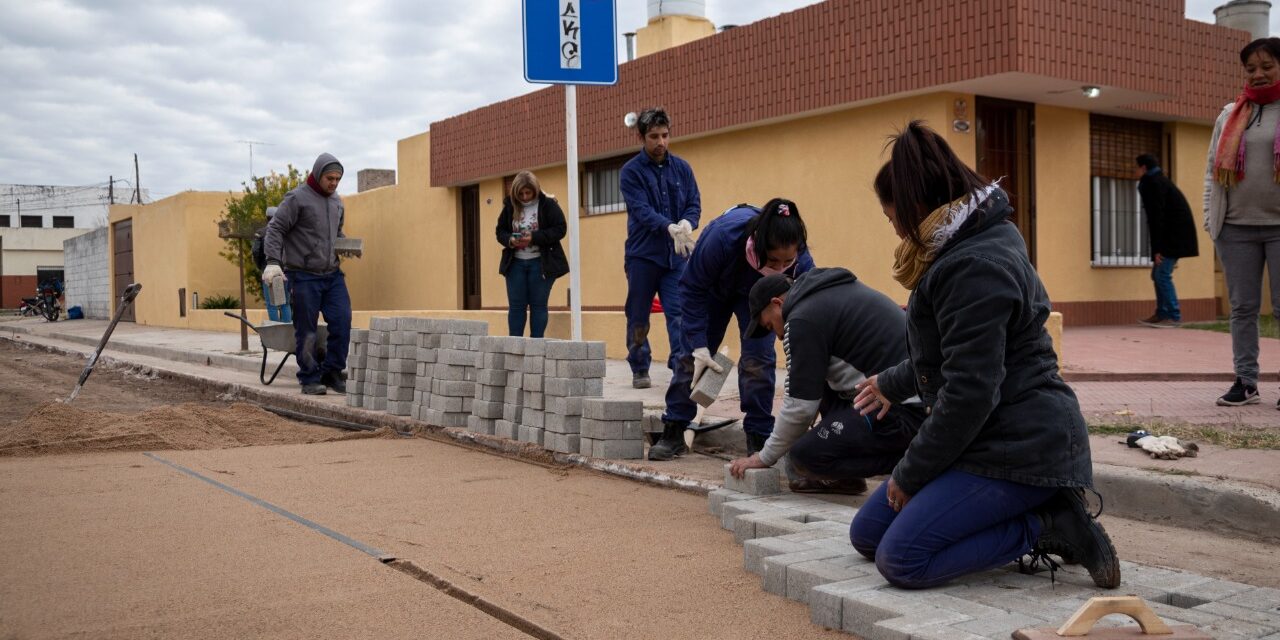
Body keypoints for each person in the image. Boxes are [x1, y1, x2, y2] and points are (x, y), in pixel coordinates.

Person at [850, 121, 1120, 590]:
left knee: (902, 560)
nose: (894, 229)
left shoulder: (971, 265)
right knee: (868, 534)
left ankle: (1050, 522)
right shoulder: (966, 240)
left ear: (916, 206)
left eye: (892, 217)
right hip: (985, 436)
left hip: (1023, 446)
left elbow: (970, 393)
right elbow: (950, 359)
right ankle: (1000, 515)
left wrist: (912, 474)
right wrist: (889, 383)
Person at [728, 268, 925, 495]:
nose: (779, 336)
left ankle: (916, 459)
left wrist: (764, 457)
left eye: (770, 326)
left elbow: (800, 408)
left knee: (804, 456)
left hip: (904, 407)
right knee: (818, 382)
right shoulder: (824, 294)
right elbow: (806, 391)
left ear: (777, 303)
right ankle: (846, 480)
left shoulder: (802, 318)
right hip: (912, 396)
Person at [648, 198, 815, 461]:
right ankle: (675, 427)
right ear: (758, 244)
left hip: (760, 296)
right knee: (691, 358)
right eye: (773, 260)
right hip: (714, 288)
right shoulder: (722, 238)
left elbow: (808, 301)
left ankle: (758, 435)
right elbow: (691, 288)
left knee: (758, 359)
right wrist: (700, 345)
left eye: (787, 262)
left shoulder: (802, 260)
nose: (781, 268)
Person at [1203, 37, 1280, 408]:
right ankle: (1246, 382)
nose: (1259, 74)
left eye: (1267, 66)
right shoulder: (1230, 114)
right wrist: (1210, 218)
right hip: (1235, 228)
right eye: (1251, 68)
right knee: (1242, 308)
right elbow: (1210, 173)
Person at [620, 107, 701, 389]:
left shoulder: (683, 168)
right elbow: (641, 210)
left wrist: (687, 223)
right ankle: (640, 365)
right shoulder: (630, 172)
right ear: (642, 137)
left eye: (665, 135)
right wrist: (668, 227)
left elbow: (694, 203)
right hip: (643, 256)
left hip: (677, 256)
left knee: (680, 313)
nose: (661, 142)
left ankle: (681, 365)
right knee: (638, 314)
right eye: (654, 136)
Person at [263, 153, 351, 395]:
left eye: (338, 179)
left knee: (342, 321)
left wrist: (347, 246)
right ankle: (309, 377)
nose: (333, 183)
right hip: (303, 275)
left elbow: (338, 234)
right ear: (317, 173)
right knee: (307, 330)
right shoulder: (297, 198)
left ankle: (332, 372)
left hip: (331, 274)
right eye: (329, 178)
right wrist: (272, 261)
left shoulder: (337, 202)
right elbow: (275, 229)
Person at [495, 171, 568, 338]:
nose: (525, 197)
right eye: (520, 193)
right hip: (515, 264)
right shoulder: (509, 206)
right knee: (516, 307)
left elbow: (560, 229)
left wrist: (534, 237)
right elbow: (500, 231)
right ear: (515, 192)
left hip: (541, 263)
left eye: (528, 192)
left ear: (535, 190)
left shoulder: (548, 204)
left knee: (539, 306)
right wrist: (511, 240)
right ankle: (515, 345)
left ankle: (536, 346)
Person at [1135, 154, 1199, 328]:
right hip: (1174, 236)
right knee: (1158, 275)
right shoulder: (1159, 181)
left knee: (1162, 275)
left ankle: (1172, 315)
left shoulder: (1152, 184)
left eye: (1136, 167)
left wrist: (1158, 249)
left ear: (1144, 168)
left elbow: (1157, 218)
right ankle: (1162, 313)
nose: (1134, 171)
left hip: (1172, 238)